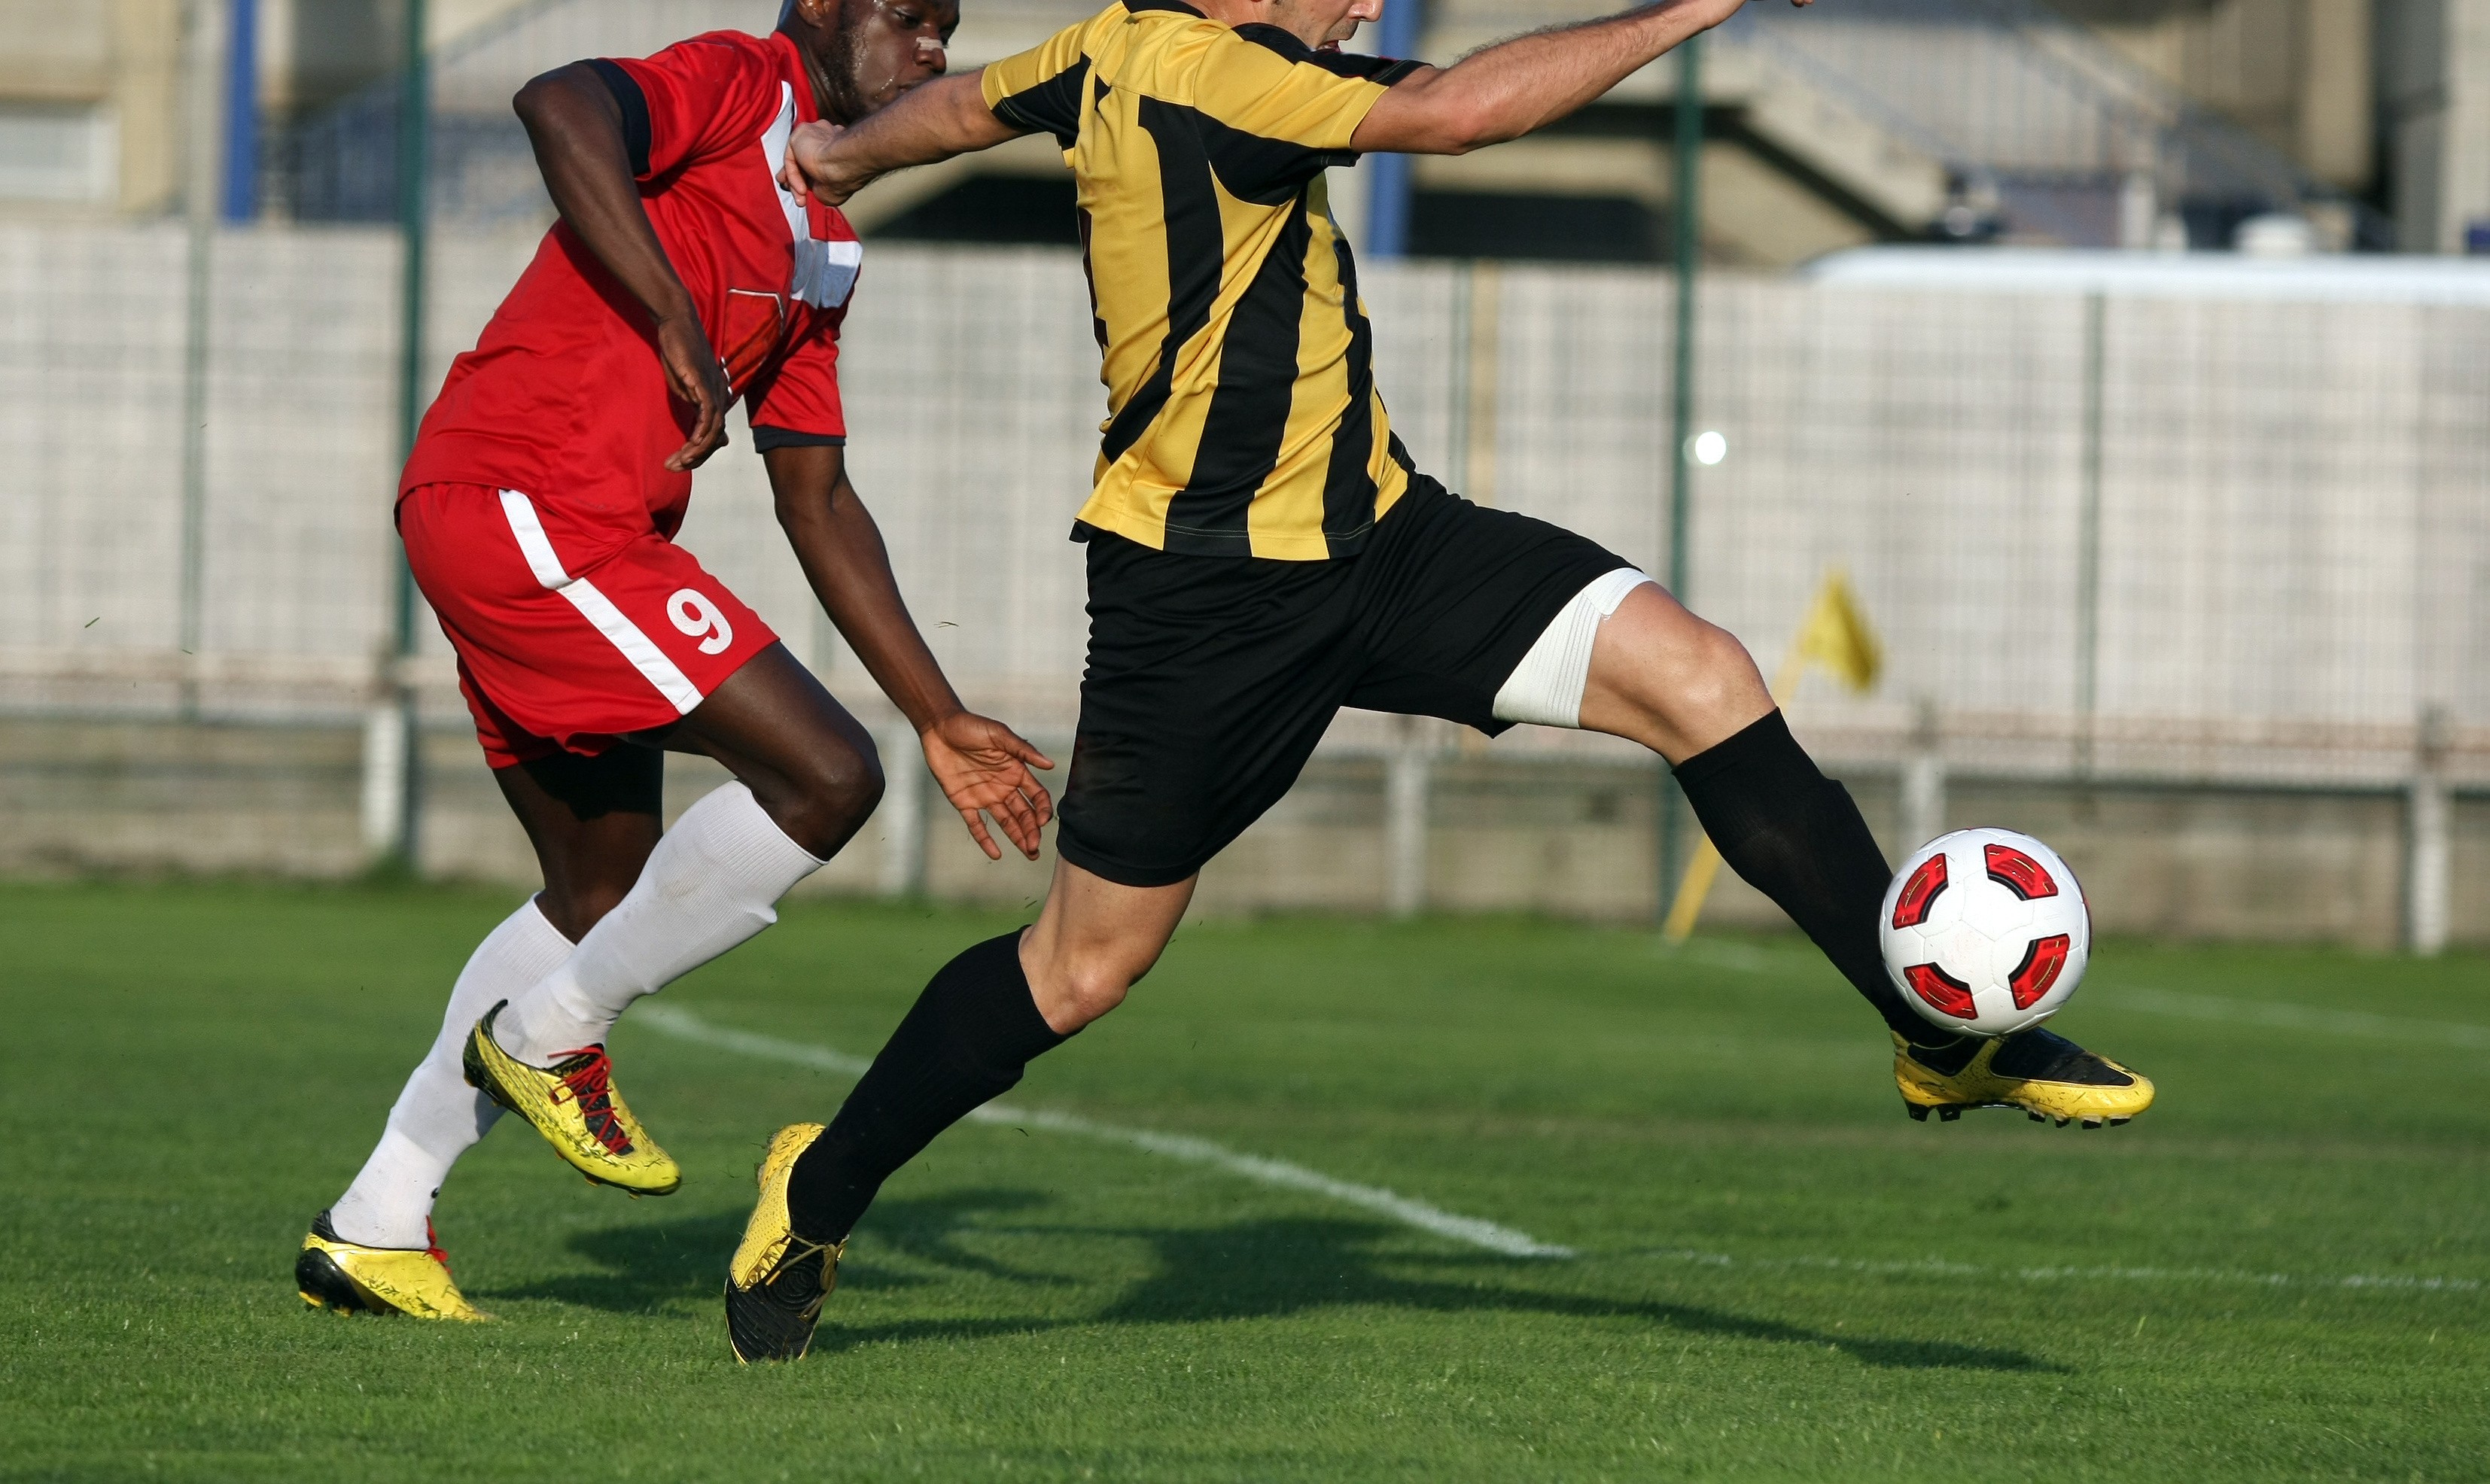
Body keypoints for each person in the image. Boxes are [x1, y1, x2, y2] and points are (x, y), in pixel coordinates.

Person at [722, 0, 2156, 1362]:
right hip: (1204, 600)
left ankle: (1937, 1033)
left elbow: (966, 106)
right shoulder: (1228, 79)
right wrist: (1684, 14)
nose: (1366, 12)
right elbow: (1463, 115)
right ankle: (819, 1191)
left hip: (1386, 541)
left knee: (1702, 678)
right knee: (1084, 966)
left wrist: (834, 155)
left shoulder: (1114, 50)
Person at [296, 0, 1055, 1323]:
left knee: (594, 895)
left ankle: (376, 1220)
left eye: (947, 30)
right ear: (822, 7)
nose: (931, 50)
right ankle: (550, 1038)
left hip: (531, 522)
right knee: (825, 777)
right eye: (907, 18)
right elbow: (556, 102)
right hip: (532, 504)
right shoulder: (737, 81)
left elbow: (817, 501)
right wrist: (672, 319)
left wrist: (938, 713)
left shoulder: (825, 245)